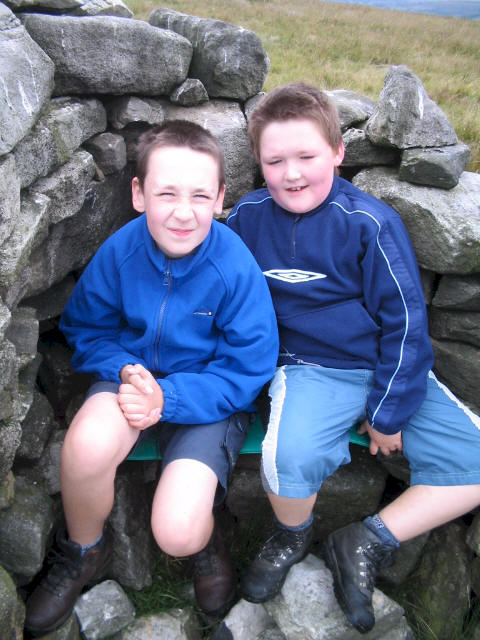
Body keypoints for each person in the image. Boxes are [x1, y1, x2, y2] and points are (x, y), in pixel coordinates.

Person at [226, 82, 480, 634]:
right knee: (285, 461)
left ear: (338, 153)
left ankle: (366, 540)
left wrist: (389, 412)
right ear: (259, 162)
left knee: (476, 463)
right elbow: (227, 295)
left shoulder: (370, 223)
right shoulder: (245, 220)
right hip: (309, 369)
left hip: (387, 368)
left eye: (307, 156)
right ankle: (293, 533)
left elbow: (406, 323)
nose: (292, 173)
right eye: (275, 160)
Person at [24, 120, 279, 635]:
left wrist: (170, 398)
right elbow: (86, 327)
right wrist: (125, 371)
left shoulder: (234, 267)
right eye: (166, 193)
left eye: (200, 196)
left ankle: (203, 542)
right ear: (139, 194)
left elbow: (247, 366)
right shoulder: (121, 251)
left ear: (221, 198)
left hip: (207, 399)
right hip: (132, 381)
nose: (183, 212)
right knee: (86, 447)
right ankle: (84, 549)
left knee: (176, 532)